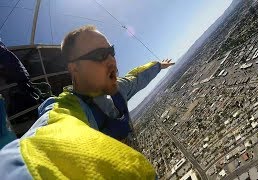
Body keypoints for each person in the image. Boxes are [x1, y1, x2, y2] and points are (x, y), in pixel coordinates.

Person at [0, 25, 174, 179]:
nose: (111, 60)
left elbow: (136, 77)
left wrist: (158, 65)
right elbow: (47, 142)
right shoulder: (66, 108)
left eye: (111, 51)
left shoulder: (117, 88)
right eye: (99, 55)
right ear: (74, 69)